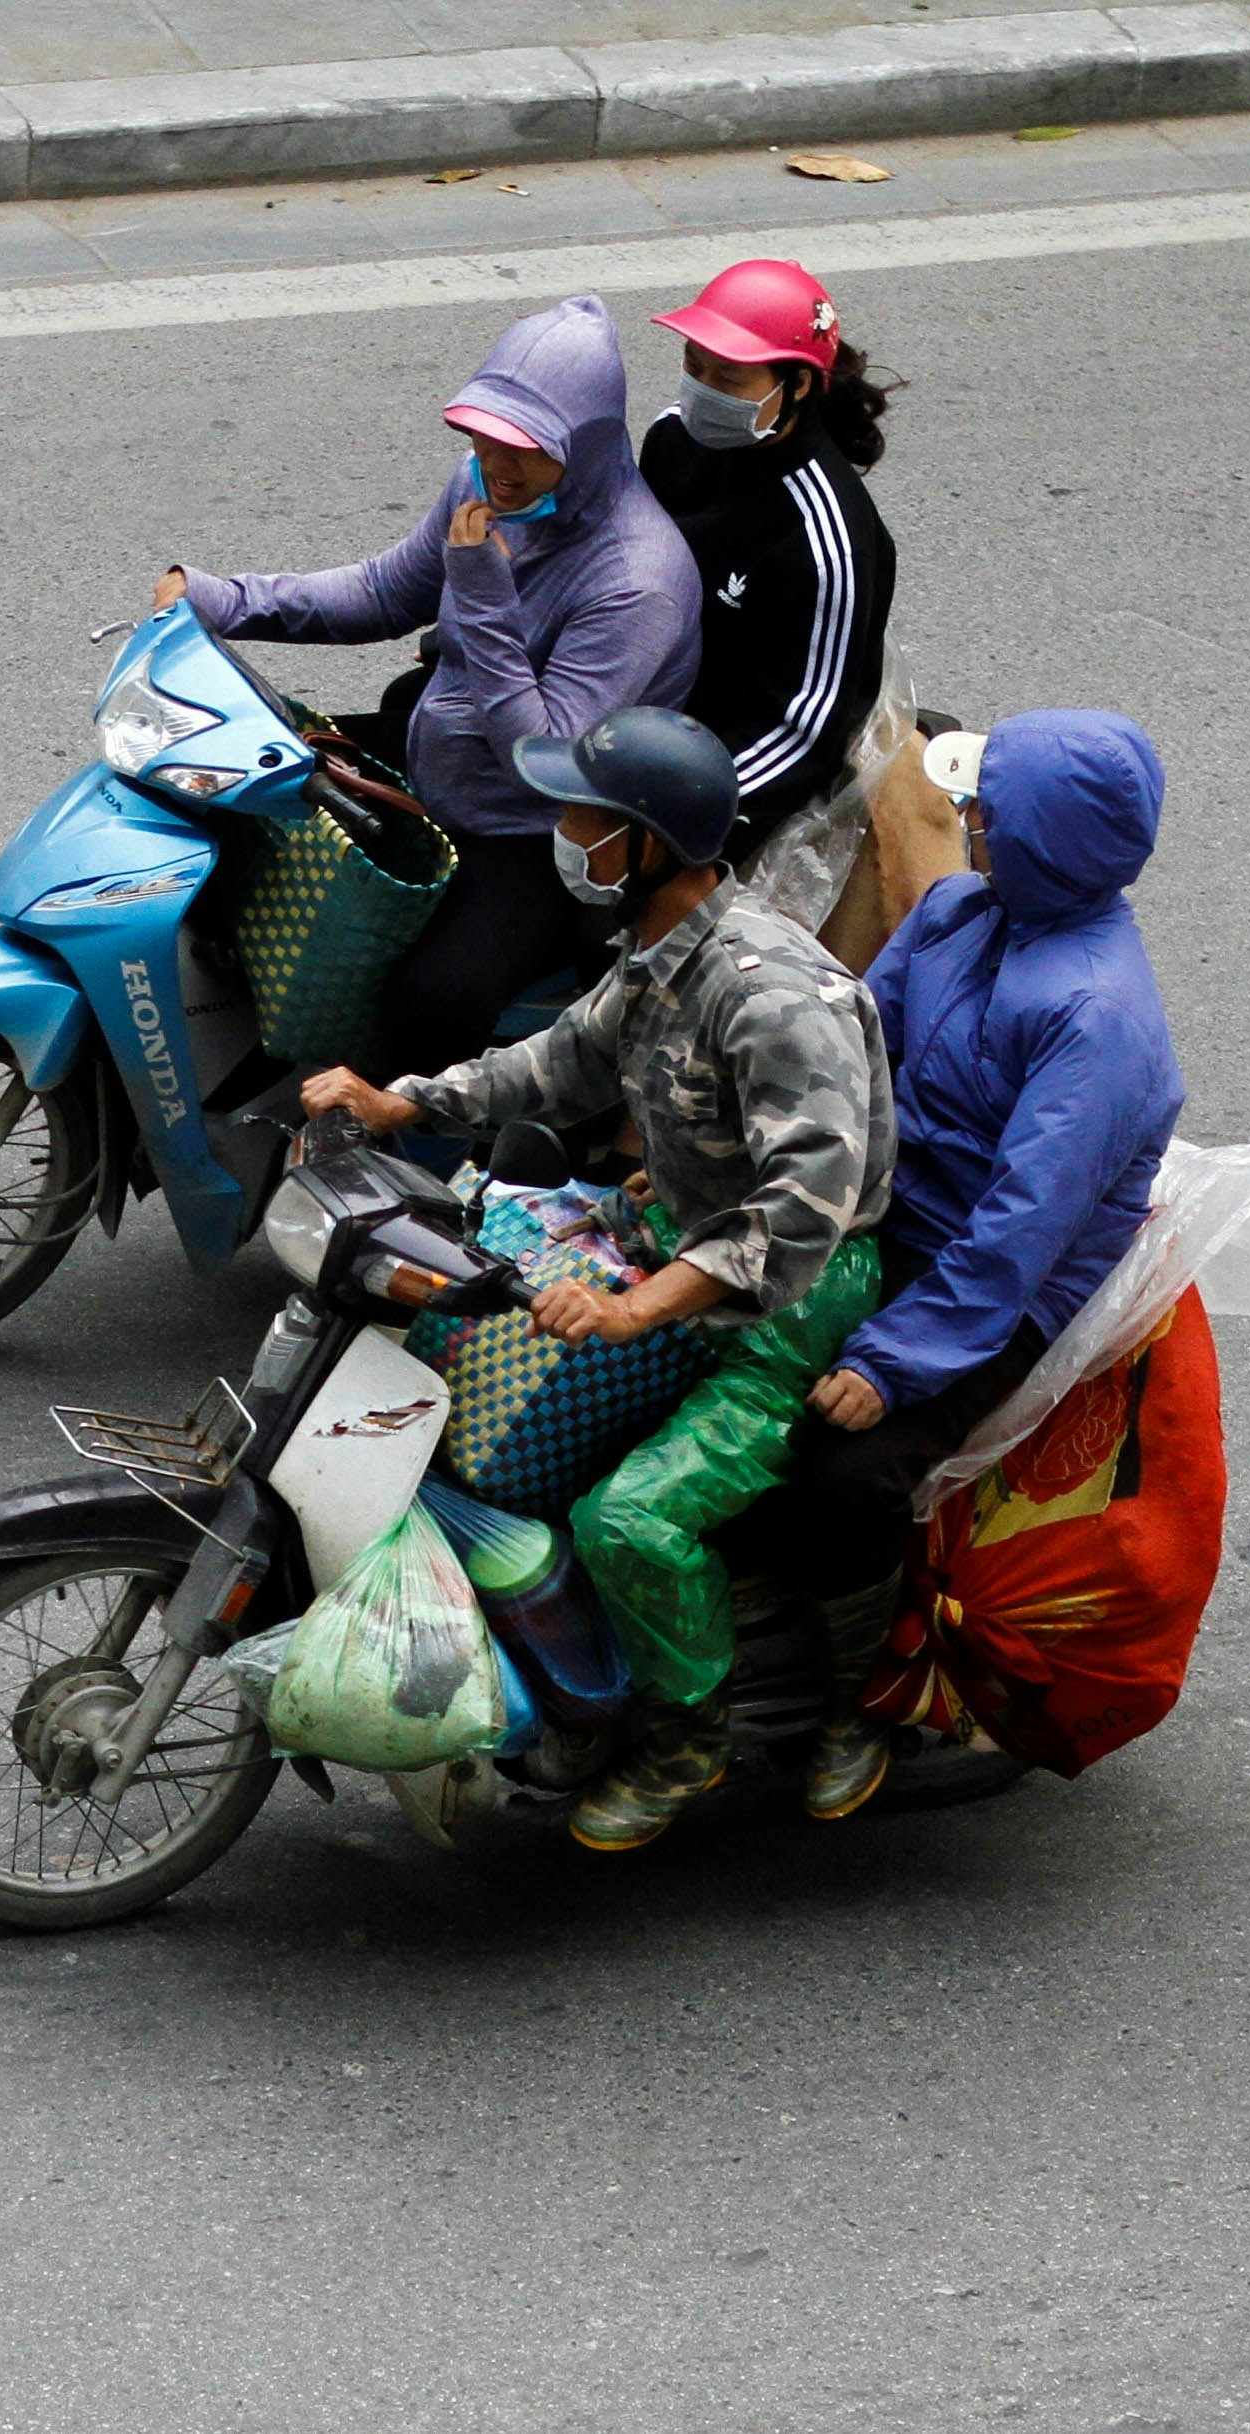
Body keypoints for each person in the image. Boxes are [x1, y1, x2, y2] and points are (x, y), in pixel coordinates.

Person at [297, 706, 893, 1852]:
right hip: (661, 1235)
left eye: (583, 815)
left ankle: (688, 1736)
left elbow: (799, 1214)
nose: (561, 833)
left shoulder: (770, 995)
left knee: (625, 1518)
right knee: (448, 1359)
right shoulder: (661, 953)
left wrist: (633, 1308)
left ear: (647, 843)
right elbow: (556, 1062)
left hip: (785, 1309)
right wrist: (398, 1100)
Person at [763, 710, 1188, 1817]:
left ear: (1043, 844)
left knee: (837, 1474)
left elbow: (1013, 1235)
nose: (965, 823)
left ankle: (859, 1697)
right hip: (889, 1222)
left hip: (983, 1297)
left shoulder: (1096, 1021)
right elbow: (851, 1044)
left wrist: (892, 1362)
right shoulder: (957, 910)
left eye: (986, 812)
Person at [154, 295, 703, 1080]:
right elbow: (386, 591)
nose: (497, 465)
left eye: (524, 447)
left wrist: (482, 594)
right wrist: (222, 599)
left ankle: (399, 1160)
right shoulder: (488, 488)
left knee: (430, 1004)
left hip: (530, 834)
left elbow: (541, 755)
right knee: (223, 785)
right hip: (436, 756)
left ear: (585, 446)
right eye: (484, 436)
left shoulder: (637, 582)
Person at [639, 260, 901, 863]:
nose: (701, 392)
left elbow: (801, 736)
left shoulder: (825, 540)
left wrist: (666, 811)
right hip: (637, 717)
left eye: (729, 380)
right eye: (693, 367)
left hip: (724, 781)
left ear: (799, 386)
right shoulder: (671, 440)